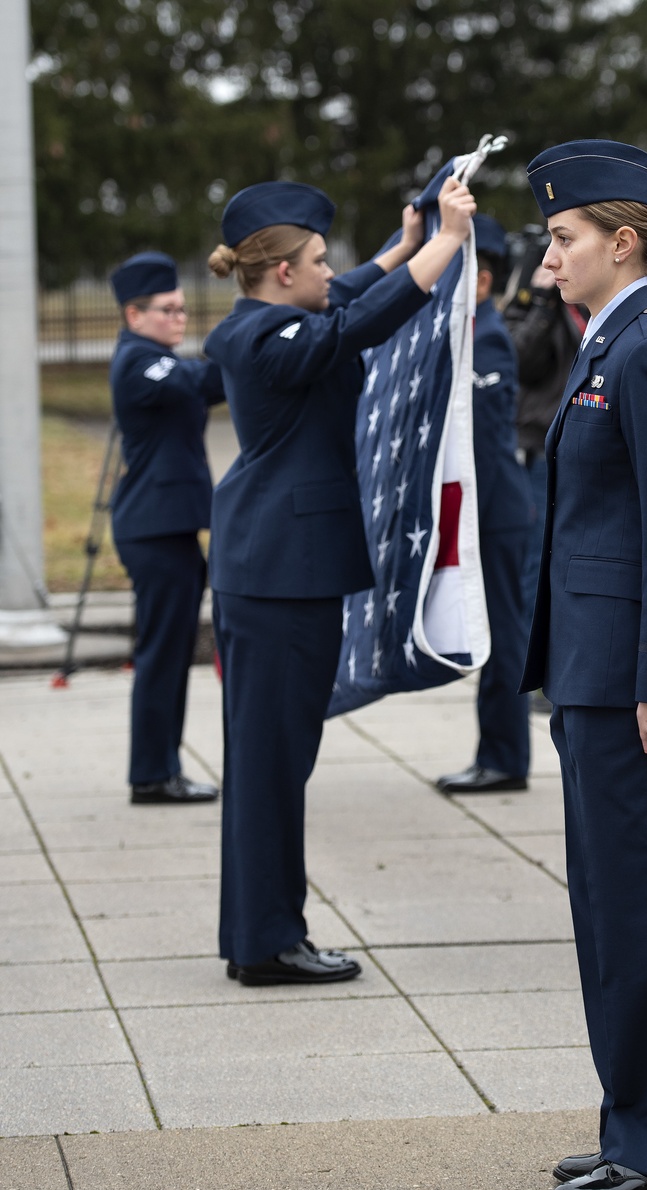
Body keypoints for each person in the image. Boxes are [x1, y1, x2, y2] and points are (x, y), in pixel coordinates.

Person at [519, 140, 647, 1190]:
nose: (548, 258)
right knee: (611, 912)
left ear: (623, 242)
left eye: (562, 238)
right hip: (593, 675)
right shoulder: (611, 344)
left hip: (630, 686)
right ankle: (634, 1122)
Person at [205, 177, 477, 987]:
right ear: (283, 272)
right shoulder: (260, 338)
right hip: (278, 576)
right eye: (319, 259)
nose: (334, 269)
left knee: (273, 763)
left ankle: (260, 932)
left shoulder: (273, 316)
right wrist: (447, 243)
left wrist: (403, 243)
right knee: (270, 766)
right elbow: (357, 321)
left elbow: (353, 292)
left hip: (281, 573)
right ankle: (266, 942)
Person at [108, 251, 223, 806]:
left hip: (167, 529)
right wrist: (245, 341)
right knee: (161, 655)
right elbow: (199, 381)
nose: (179, 318)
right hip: (154, 532)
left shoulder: (155, 357)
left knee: (171, 652)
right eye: (168, 310)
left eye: (182, 309)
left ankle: (159, 767)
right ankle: (153, 774)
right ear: (135, 315)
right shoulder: (139, 361)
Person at [436, 216, 533, 793]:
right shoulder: (468, 331)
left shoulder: (489, 336)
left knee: (502, 638)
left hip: (496, 511)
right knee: (490, 635)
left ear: (483, 279)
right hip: (484, 510)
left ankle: (504, 758)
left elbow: (480, 436)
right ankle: (494, 752)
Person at [503, 251, 585, 671]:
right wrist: (540, 302)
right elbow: (520, 361)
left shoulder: (593, 302)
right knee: (537, 562)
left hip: (585, 449)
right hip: (541, 449)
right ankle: (530, 667)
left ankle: (567, 662)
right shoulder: (530, 305)